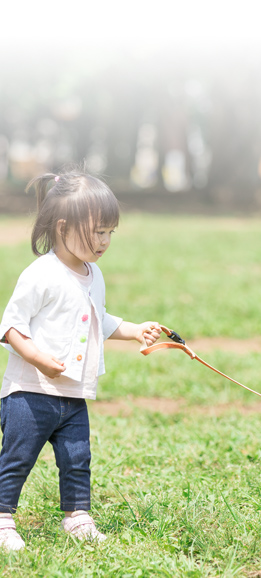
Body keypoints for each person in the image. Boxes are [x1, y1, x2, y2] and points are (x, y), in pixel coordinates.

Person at [0, 168, 161, 552]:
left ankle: (77, 516)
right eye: (97, 231)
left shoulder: (94, 274)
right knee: (18, 457)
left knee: (77, 457)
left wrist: (135, 329)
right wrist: (38, 359)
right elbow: (10, 327)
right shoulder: (41, 274)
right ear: (62, 227)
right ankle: (3, 517)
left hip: (73, 393)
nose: (104, 241)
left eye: (110, 232)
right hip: (30, 392)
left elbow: (97, 318)